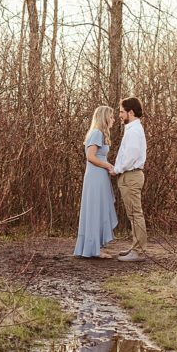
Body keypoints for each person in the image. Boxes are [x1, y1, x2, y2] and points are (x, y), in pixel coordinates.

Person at [74, 106, 119, 258]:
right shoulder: (97, 133)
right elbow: (91, 157)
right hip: (95, 177)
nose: (114, 120)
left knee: (99, 209)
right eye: (111, 117)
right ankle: (94, 249)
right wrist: (109, 166)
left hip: (99, 176)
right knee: (95, 210)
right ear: (105, 117)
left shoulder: (99, 134)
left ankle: (95, 246)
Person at [114, 97, 148, 262]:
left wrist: (117, 169)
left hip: (131, 175)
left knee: (136, 213)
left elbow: (131, 156)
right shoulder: (131, 129)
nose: (120, 115)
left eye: (121, 111)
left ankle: (139, 251)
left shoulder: (134, 131)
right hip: (129, 175)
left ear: (131, 112)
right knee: (132, 214)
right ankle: (135, 247)